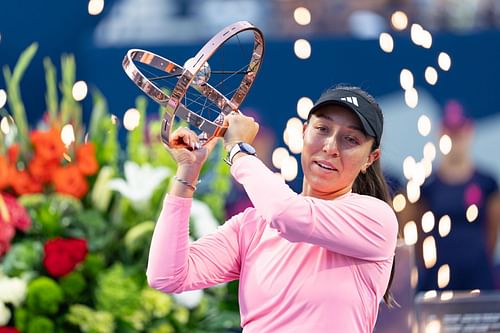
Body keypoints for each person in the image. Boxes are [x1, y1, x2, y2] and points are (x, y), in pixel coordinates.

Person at [147, 85, 399, 332]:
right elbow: (166, 276)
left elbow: (286, 215)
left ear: (370, 158)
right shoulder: (252, 225)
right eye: (322, 129)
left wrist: (238, 150)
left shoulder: (376, 218)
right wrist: (188, 172)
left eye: (351, 139)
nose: (330, 147)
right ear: (304, 133)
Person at [405, 100, 500, 292]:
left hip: (478, 276)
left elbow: (492, 231)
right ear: (440, 132)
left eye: (460, 130)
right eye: (450, 130)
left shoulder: (487, 183)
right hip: (437, 278)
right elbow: (414, 233)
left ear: (470, 131)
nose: (455, 137)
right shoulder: (426, 185)